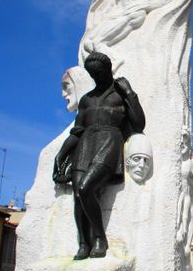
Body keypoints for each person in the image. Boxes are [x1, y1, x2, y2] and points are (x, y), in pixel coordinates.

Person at [54, 52, 145, 259]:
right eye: (92, 74)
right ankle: (84, 243)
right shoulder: (87, 99)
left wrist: (130, 93)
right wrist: (62, 154)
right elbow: (77, 131)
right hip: (85, 144)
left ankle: (99, 238)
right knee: (78, 196)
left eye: (100, 73)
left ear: (108, 69)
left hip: (109, 141)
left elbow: (139, 124)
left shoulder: (120, 94)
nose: (97, 77)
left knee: (86, 189)